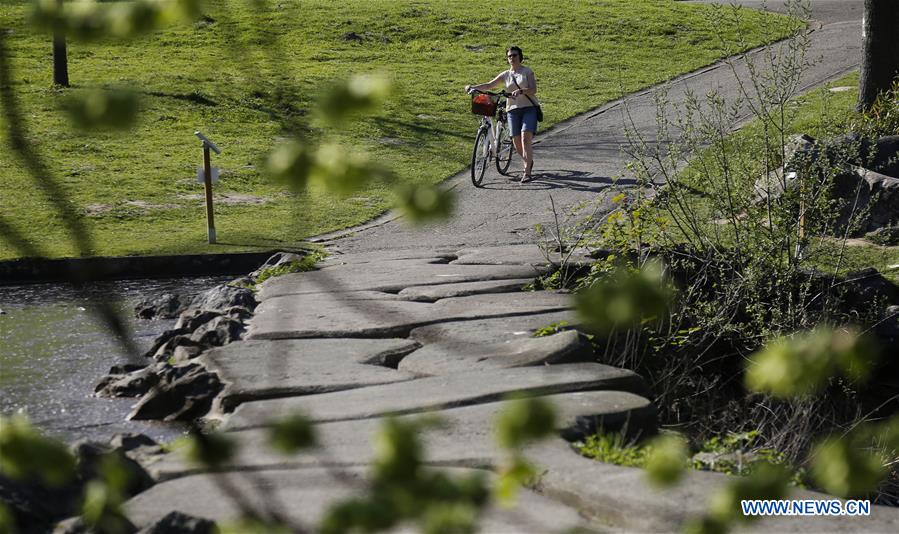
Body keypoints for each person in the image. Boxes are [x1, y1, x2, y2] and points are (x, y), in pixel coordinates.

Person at [465, 45, 539, 183]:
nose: (512, 58)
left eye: (514, 55)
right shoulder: (506, 75)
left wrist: (522, 91)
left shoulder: (527, 72)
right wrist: (473, 87)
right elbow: (489, 85)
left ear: (520, 57)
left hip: (529, 108)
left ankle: (527, 171)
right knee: (516, 141)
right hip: (512, 110)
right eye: (509, 56)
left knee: (525, 138)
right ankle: (528, 161)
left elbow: (533, 90)